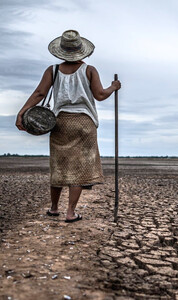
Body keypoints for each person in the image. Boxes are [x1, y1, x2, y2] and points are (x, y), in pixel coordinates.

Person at [16, 30, 121, 223]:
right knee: (79, 169)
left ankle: (54, 208)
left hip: (60, 122)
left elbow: (40, 93)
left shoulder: (53, 70)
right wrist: (113, 87)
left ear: (61, 51)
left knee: (59, 165)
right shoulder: (89, 70)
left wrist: (22, 112)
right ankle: (70, 212)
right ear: (82, 51)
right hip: (84, 123)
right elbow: (99, 95)